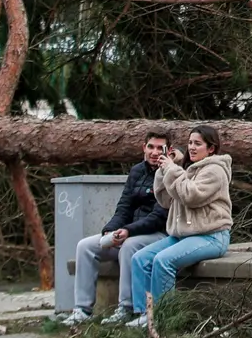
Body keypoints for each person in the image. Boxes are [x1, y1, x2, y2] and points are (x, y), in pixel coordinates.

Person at [60, 133, 175, 325]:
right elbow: (124, 207)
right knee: (85, 246)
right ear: (143, 148)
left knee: (130, 246)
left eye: (160, 148)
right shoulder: (137, 171)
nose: (154, 152)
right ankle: (82, 309)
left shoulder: (171, 173)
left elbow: (158, 217)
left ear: (168, 151)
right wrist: (110, 230)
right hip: (128, 231)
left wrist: (128, 231)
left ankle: (126, 308)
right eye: (151, 147)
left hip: (157, 235)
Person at [126, 125, 232, 328]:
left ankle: (164, 317)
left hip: (211, 237)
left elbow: (191, 196)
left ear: (211, 148)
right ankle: (144, 315)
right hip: (183, 236)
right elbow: (166, 200)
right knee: (140, 259)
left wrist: (172, 169)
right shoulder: (188, 169)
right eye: (190, 142)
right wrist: (162, 170)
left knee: (163, 261)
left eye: (197, 144)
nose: (191, 147)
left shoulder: (215, 171)